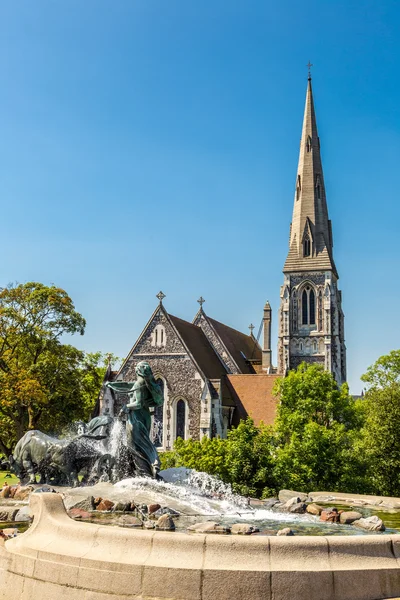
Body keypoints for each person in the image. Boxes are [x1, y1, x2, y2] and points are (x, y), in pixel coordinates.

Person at [106, 361, 164, 478]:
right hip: (144, 416)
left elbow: (137, 403)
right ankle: (147, 467)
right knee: (141, 442)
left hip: (136, 418)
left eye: (135, 369)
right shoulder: (145, 383)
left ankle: (144, 473)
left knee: (135, 444)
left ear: (138, 371)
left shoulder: (138, 384)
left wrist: (125, 407)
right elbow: (128, 385)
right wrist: (113, 385)